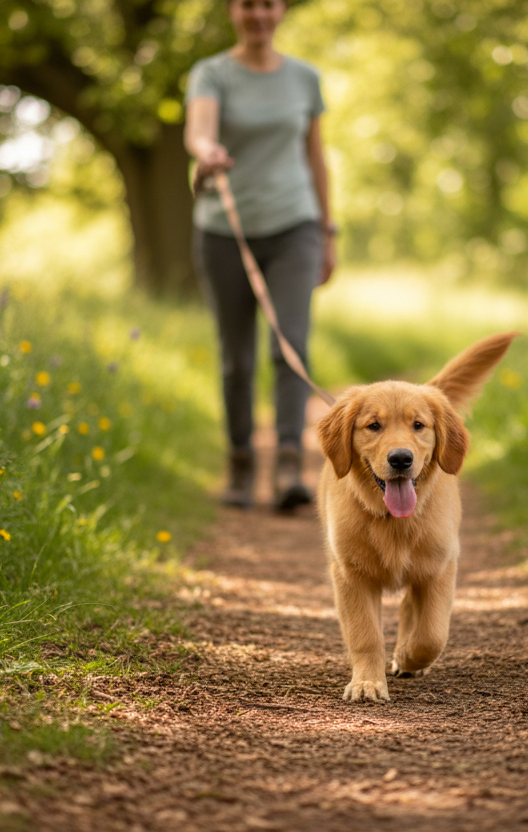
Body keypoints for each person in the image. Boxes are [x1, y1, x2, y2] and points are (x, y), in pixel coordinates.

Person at [184, 0, 336, 510]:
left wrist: (328, 230)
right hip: (224, 230)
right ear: (233, 10)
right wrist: (207, 152)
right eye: (247, 4)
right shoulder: (212, 73)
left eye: (268, 4)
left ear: (281, 9)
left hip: (295, 225)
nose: (258, 15)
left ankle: (291, 463)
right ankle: (240, 464)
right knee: (236, 358)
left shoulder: (304, 78)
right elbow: (199, 128)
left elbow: (316, 157)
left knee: (289, 343)